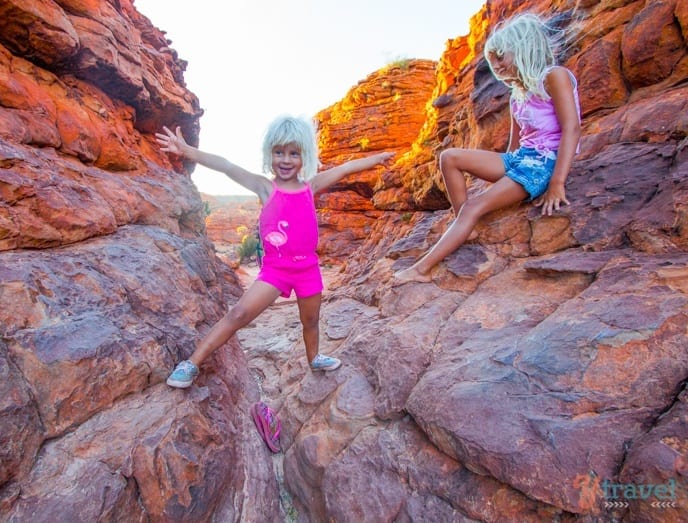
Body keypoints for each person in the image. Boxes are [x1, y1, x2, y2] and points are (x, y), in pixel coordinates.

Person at [157, 116, 395, 388]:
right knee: (238, 314)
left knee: (311, 321)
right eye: (279, 152)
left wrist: (377, 159)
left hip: (307, 269)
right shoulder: (265, 187)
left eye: (294, 153)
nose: (285, 160)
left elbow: (346, 168)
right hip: (275, 270)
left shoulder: (310, 187)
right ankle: (191, 363)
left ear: (304, 156)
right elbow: (226, 166)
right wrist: (187, 151)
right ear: (269, 154)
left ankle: (314, 357)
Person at [395, 12, 581, 283]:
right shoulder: (518, 93)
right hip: (522, 159)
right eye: (493, 62)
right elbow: (514, 147)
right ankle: (464, 226)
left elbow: (572, 128)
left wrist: (557, 183)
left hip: (544, 164)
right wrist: (504, 173)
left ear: (523, 49)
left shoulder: (554, 76)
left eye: (501, 57)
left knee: (475, 207)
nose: (498, 66)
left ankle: (421, 270)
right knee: (449, 157)